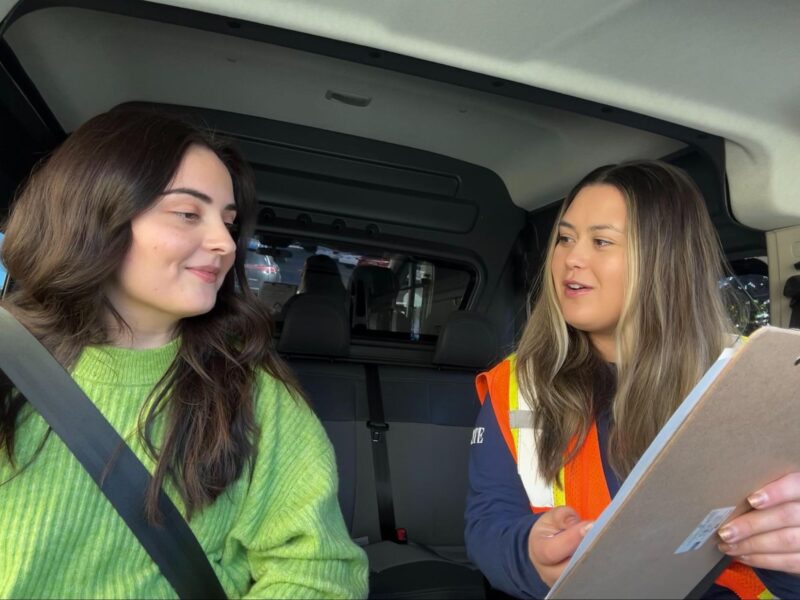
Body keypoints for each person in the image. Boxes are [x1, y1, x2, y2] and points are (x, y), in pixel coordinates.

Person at [0, 106, 368, 599]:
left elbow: (317, 572)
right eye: (188, 214)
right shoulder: (11, 360)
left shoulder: (252, 387)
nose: (225, 243)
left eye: (229, 222)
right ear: (93, 214)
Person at [464, 160, 800, 599]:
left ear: (666, 261)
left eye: (601, 241)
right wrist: (529, 552)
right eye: (565, 238)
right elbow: (488, 522)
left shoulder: (751, 378)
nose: (571, 258)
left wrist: (787, 556)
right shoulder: (518, 383)